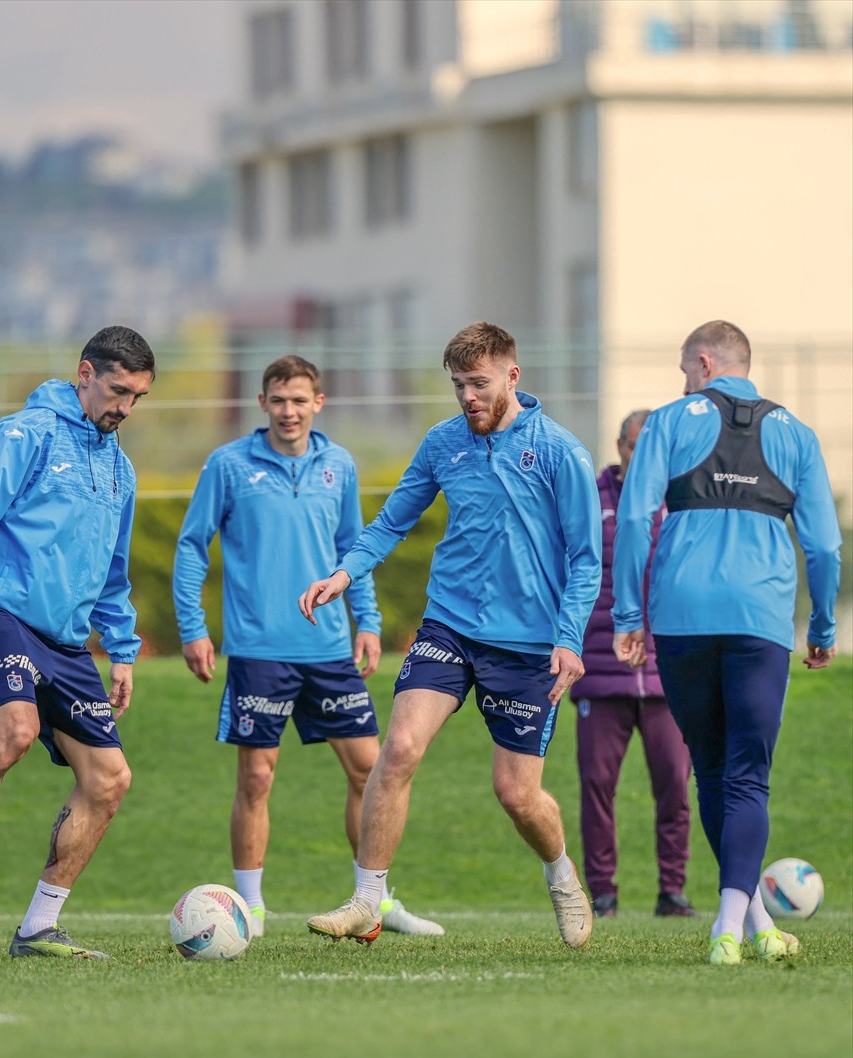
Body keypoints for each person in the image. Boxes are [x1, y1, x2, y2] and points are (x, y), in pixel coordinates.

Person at [299, 321, 602, 948]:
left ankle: (562, 874)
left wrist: (569, 638)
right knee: (401, 747)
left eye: (480, 383)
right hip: (450, 625)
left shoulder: (558, 450)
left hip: (528, 646)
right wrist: (343, 573)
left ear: (512, 377)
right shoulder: (443, 443)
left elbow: (586, 559)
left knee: (517, 795)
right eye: (459, 384)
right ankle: (367, 899)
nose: (468, 396)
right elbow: (391, 523)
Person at [0, 326, 156, 959]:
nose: (124, 407)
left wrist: (121, 649)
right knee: (13, 731)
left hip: (67, 644)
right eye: (117, 390)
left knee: (109, 781)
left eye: (137, 397)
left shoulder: (121, 469)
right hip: (1, 613)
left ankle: (39, 927)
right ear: (85, 372)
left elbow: (112, 573)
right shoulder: (26, 435)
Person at [172, 354, 443, 938]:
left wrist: (366, 622)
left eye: (300, 400)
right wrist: (193, 627)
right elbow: (192, 546)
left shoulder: (338, 465)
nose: (289, 410)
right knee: (256, 779)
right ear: (262, 402)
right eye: (279, 399)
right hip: (258, 647)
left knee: (370, 771)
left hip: (330, 648)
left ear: (318, 403)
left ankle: (375, 902)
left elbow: (356, 546)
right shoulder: (228, 465)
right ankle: (251, 910)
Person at [612, 319, 841, 966]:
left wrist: (629, 613)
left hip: (682, 615)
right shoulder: (797, 433)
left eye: (687, 370)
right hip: (760, 619)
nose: (685, 381)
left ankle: (754, 921)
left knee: (710, 768)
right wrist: (821, 626)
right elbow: (824, 545)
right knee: (747, 775)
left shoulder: (667, 419)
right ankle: (728, 926)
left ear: (705, 363)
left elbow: (634, 515)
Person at [572, 410, 696, 919]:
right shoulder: (591, 499)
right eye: (633, 445)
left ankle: (672, 890)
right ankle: (602, 891)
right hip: (601, 674)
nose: (641, 456)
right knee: (598, 785)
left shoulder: (684, 503)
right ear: (619, 447)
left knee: (675, 784)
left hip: (669, 675)